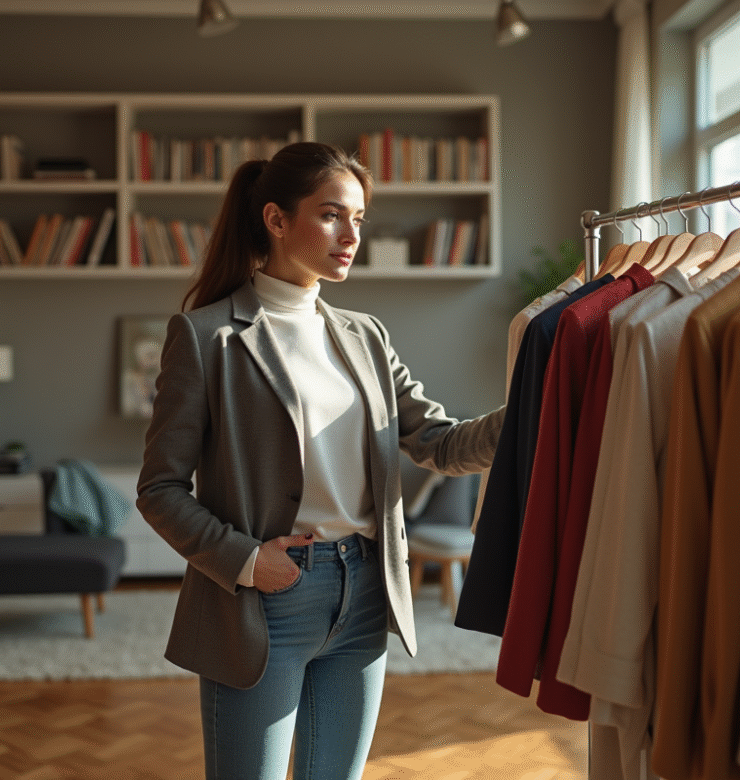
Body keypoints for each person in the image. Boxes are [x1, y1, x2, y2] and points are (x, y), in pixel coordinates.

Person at [136, 141, 505, 780]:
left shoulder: (366, 335)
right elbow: (159, 488)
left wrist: (536, 411)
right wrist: (249, 561)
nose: (350, 235)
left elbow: (439, 443)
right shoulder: (206, 337)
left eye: (358, 219)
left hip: (365, 589)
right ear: (276, 220)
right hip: (265, 596)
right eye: (332, 215)